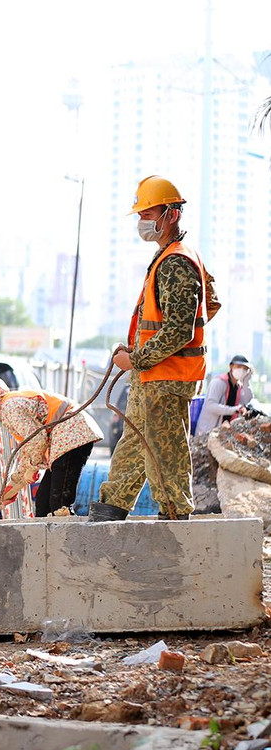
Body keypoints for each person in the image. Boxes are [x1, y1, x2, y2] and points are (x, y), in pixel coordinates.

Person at [94, 175, 220, 522]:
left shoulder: (176, 261)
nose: (142, 222)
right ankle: (111, 507)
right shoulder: (171, 256)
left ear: (171, 215)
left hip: (166, 376)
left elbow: (179, 328)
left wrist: (135, 358)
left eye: (148, 214)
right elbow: (208, 306)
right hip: (153, 374)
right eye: (141, 215)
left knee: (164, 453)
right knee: (134, 444)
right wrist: (138, 358)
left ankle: (176, 516)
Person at [0, 375, 102, 517]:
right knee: (43, 505)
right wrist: (15, 483)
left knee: (59, 504)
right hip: (65, 440)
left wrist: (31, 468)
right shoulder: (10, 409)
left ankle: (65, 536)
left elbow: (38, 438)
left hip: (73, 433)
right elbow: (29, 449)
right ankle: (47, 537)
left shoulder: (10, 408)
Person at [194, 354, 255, 435]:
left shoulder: (238, 386)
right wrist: (233, 410)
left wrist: (246, 381)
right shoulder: (219, 382)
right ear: (231, 366)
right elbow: (210, 405)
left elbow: (247, 400)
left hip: (223, 434)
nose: (242, 370)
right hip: (206, 432)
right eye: (239, 366)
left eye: (245, 369)